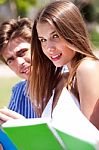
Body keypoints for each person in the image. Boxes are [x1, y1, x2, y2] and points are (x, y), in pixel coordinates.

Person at [29, 0, 99, 129]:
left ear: (71, 32)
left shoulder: (87, 68)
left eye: (55, 36)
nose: (48, 47)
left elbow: (91, 140)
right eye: (43, 40)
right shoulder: (61, 78)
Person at [0, 17, 37, 122]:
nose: (19, 63)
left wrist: (25, 129)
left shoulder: (67, 82)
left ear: (37, 46)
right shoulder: (19, 91)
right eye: (10, 60)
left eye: (22, 52)